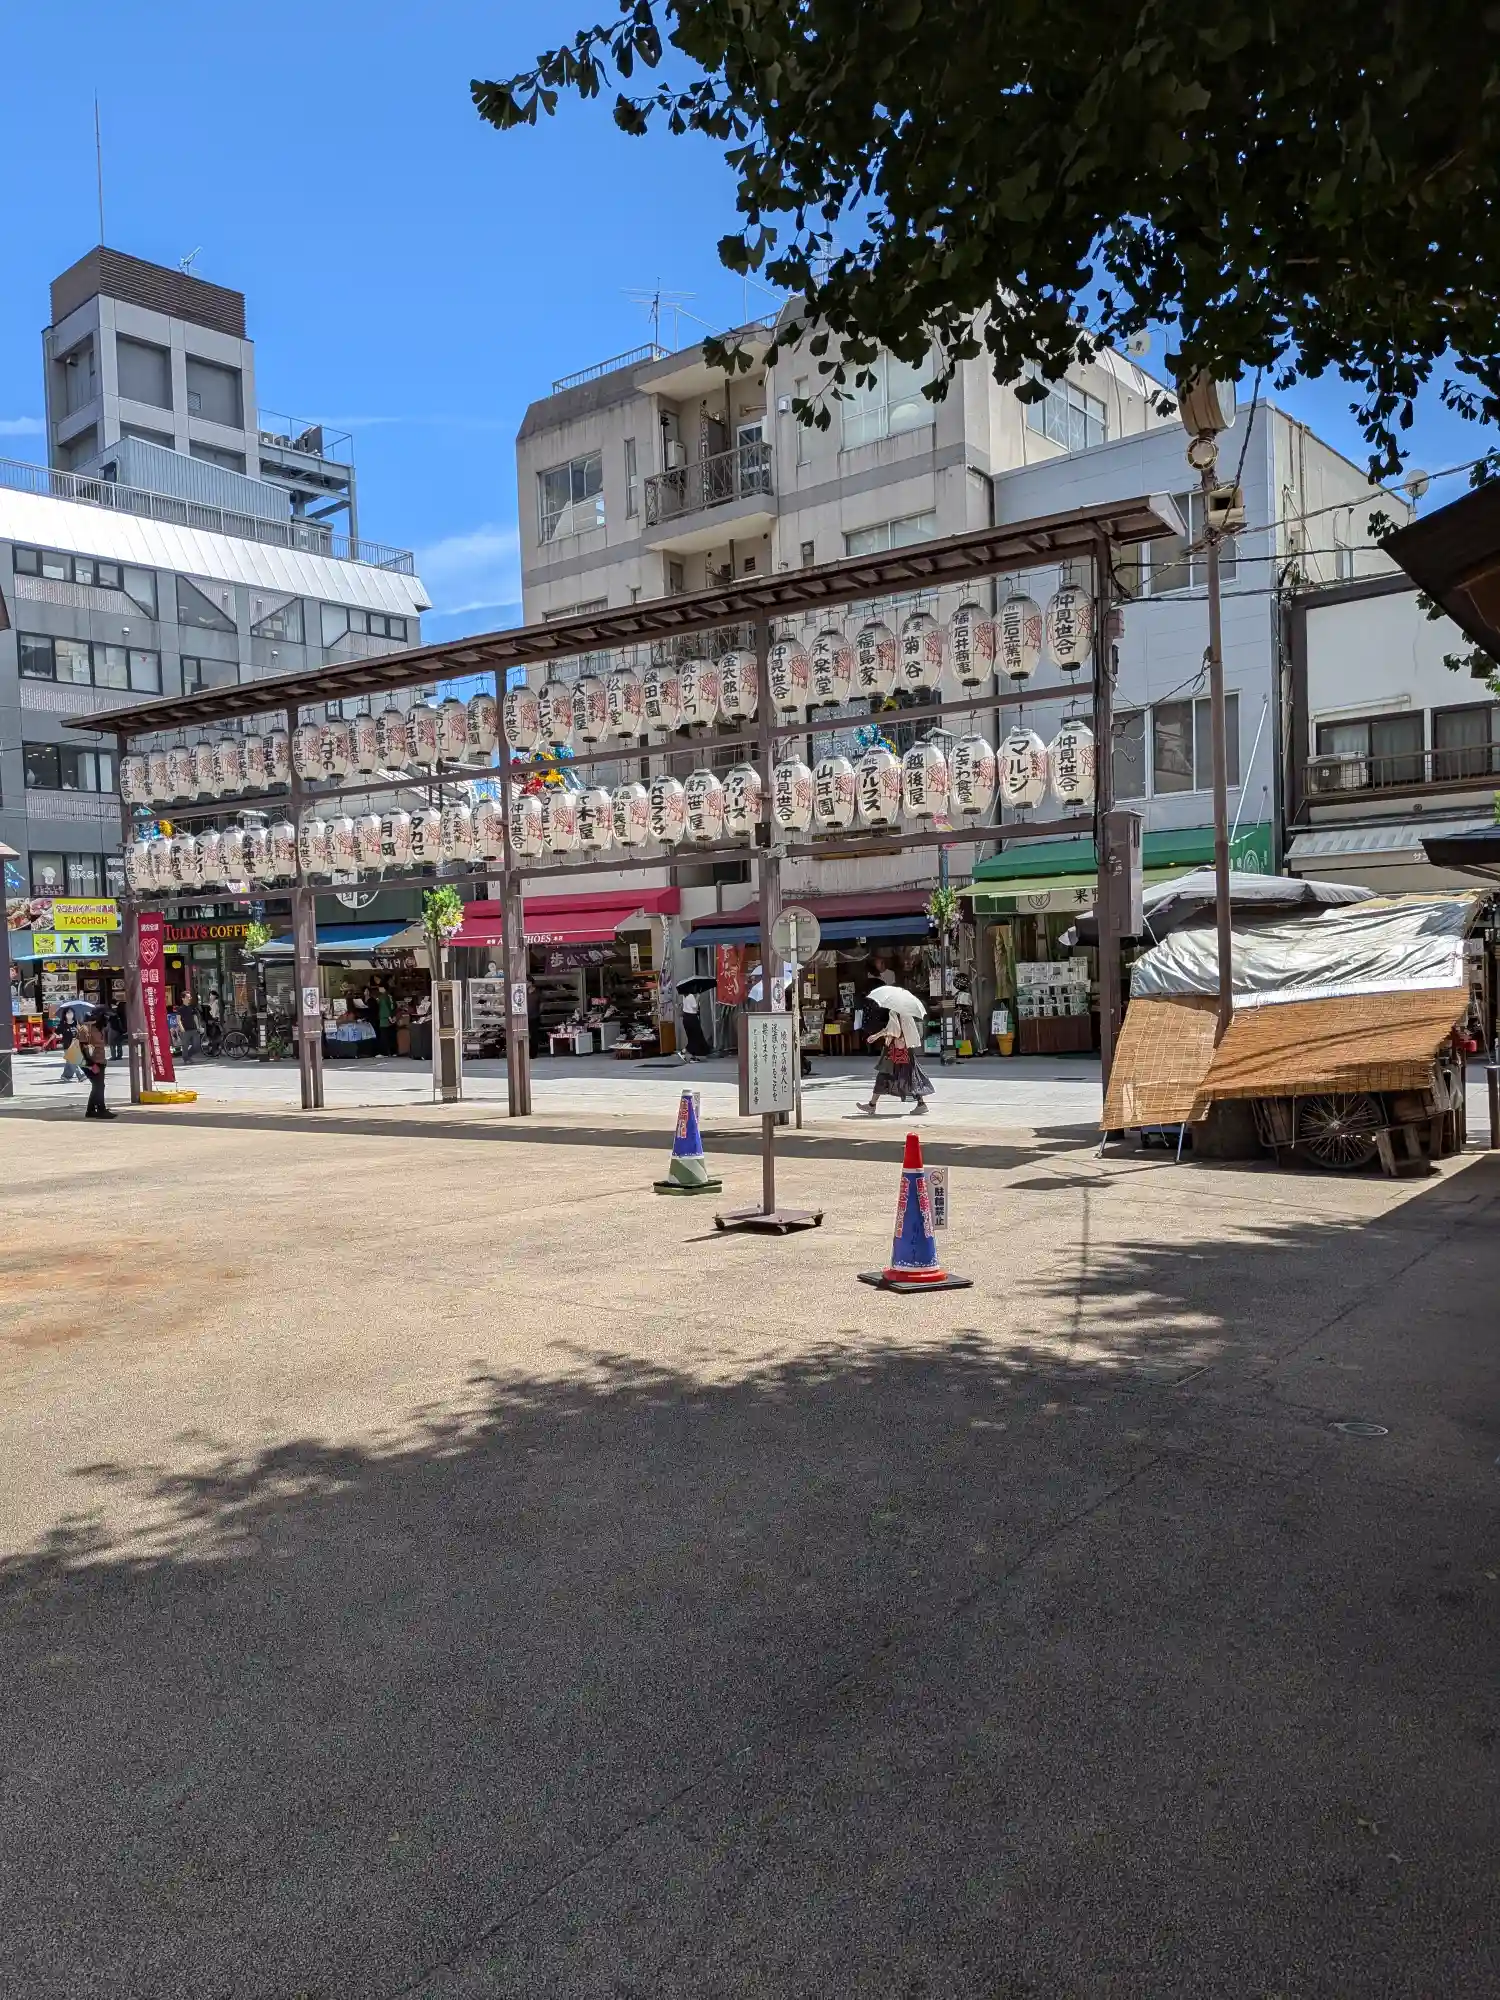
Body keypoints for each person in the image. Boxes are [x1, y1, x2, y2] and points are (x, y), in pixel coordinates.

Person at [858, 1006, 933, 1116]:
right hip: (907, 1051)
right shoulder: (907, 1013)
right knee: (910, 1076)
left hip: (895, 1052)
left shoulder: (895, 1012)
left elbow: (894, 1031)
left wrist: (876, 1036)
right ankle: (921, 1104)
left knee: (884, 1075)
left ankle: (872, 1105)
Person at [78, 1011, 114, 1119]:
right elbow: (82, 1047)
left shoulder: (100, 1029)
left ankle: (91, 1110)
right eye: (105, 1019)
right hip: (90, 1062)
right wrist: (91, 1064)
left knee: (98, 1085)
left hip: (100, 1061)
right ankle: (101, 1109)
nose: (107, 1022)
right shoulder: (86, 1028)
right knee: (99, 1085)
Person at [57, 1007, 84, 1082]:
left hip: (75, 1044)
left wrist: (79, 1029)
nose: (70, 1014)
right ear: (65, 1014)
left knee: (70, 1061)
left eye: (71, 1013)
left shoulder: (75, 1023)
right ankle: (80, 1075)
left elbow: (81, 1032)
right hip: (67, 1045)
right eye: (68, 1013)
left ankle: (65, 1076)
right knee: (73, 1061)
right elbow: (56, 1033)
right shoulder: (63, 1024)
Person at [375, 980, 396, 1057]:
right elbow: (394, 1006)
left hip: (385, 1019)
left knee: (384, 1036)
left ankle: (384, 1053)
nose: (378, 989)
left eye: (379, 987)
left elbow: (384, 1008)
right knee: (391, 1036)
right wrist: (393, 1016)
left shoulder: (382, 997)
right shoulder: (390, 996)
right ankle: (393, 1052)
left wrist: (389, 1017)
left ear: (383, 988)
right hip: (392, 1018)